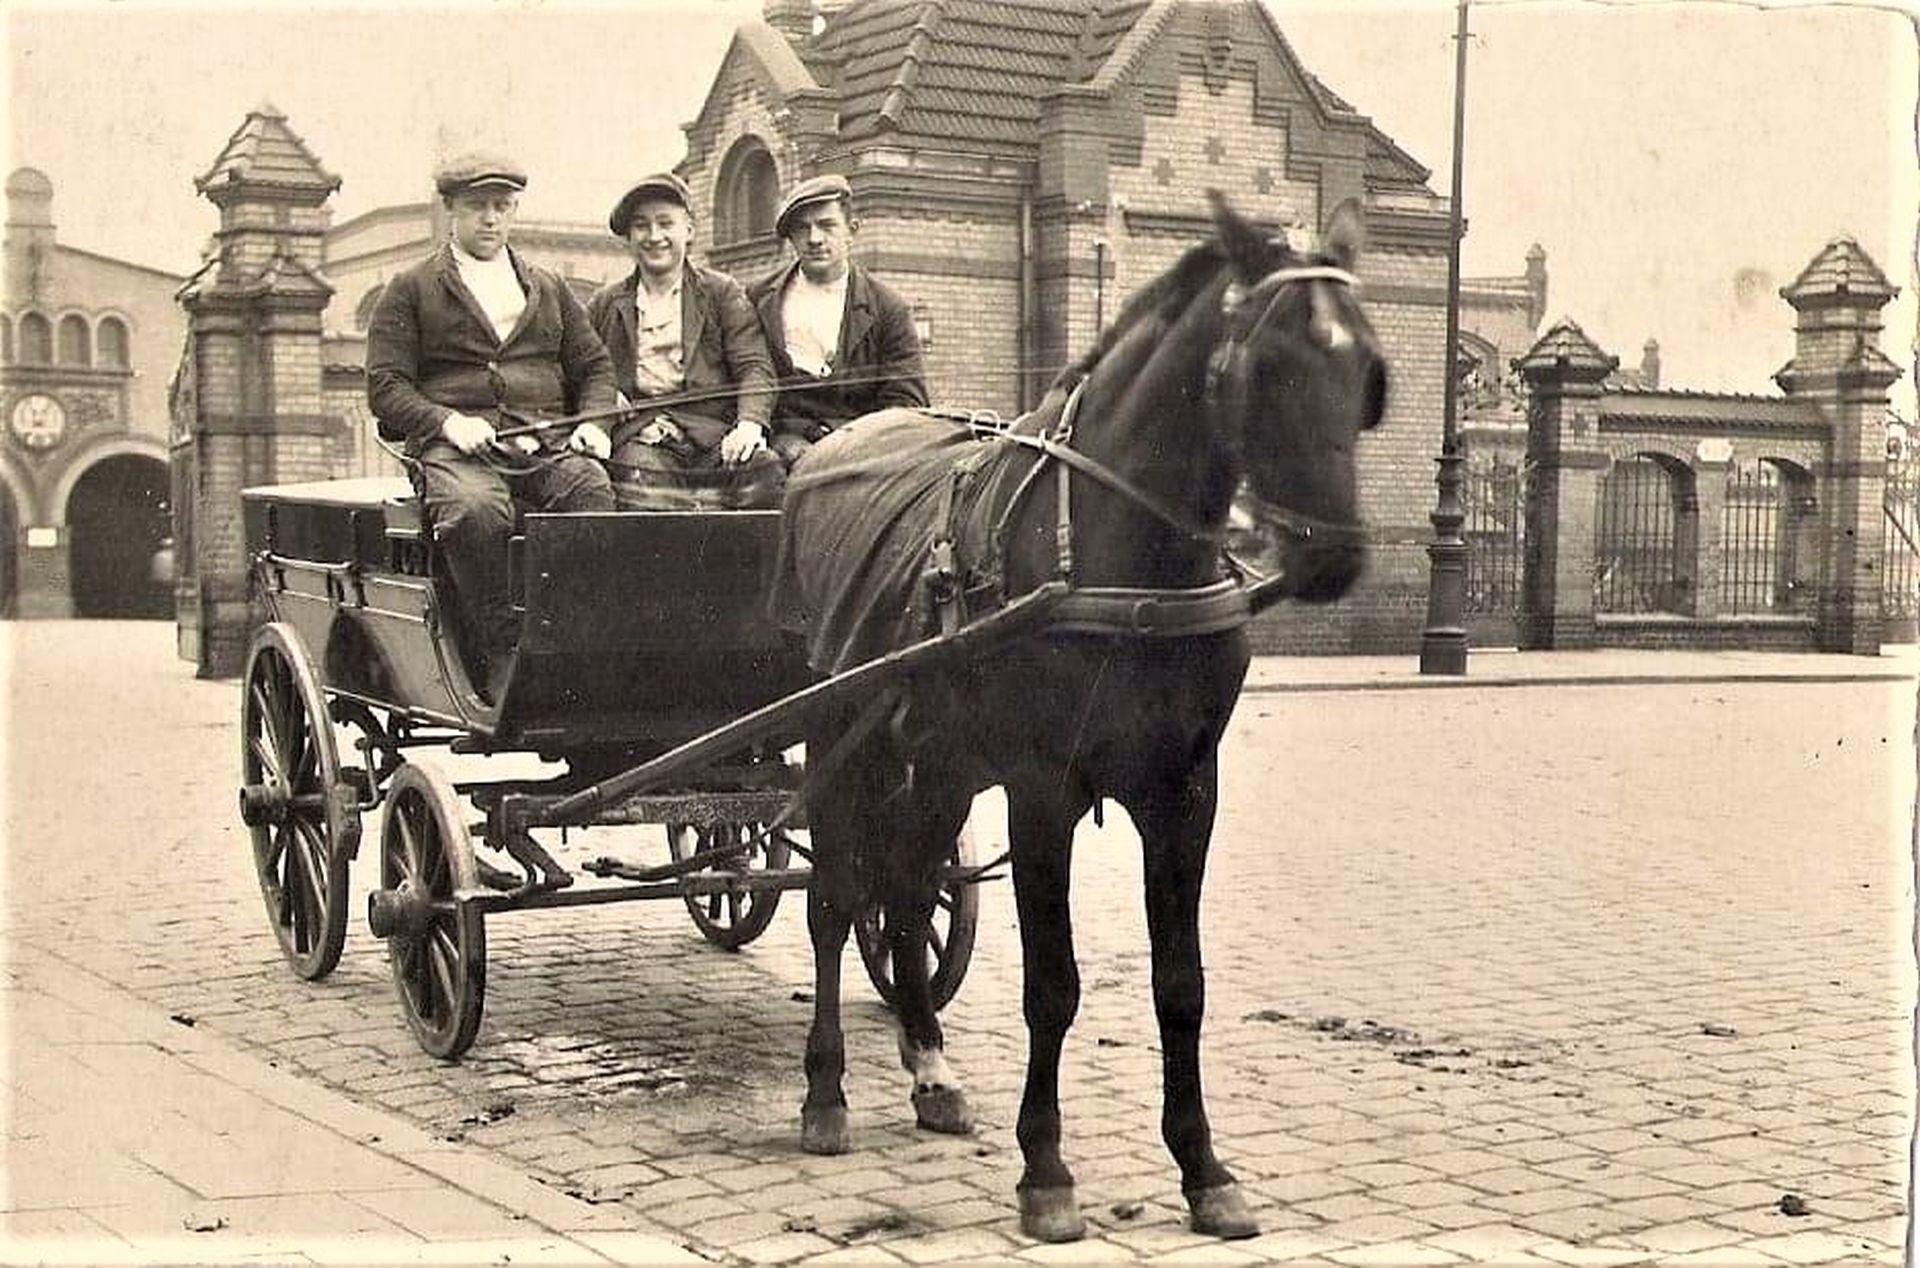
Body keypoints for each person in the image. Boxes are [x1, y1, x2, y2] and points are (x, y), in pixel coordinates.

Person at [366, 151, 616, 701]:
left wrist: (594, 423)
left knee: (594, 490)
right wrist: (446, 421)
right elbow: (385, 386)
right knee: (475, 511)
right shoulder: (410, 288)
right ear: (451, 209)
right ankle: (500, 646)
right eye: (477, 206)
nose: (491, 219)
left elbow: (595, 367)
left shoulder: (547, 287)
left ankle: (572, 639)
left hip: (542, 443)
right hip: (456, 450)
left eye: (503, 207)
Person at [587, 172, 783, 509]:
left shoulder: (722, 293)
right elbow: (580, 368)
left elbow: (754, 367)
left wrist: (749, 424)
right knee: (646, 488)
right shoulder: (605, 303)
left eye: (666, 224)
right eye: (641, 226)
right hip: (642, 439)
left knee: (763, 471)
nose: (654, 237)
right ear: (628, 237)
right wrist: (605, 395)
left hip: (713, 437)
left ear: (689, 231)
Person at [748, 175, 929, 468]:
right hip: (777, 453)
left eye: (827, 225)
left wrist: (845, 446)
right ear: (791, 238)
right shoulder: (759, 299)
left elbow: (907, 404)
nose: (815, 239)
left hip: (859, 458)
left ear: (851, 230)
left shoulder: (887, 308)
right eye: (802, 229)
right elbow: (742, 380)